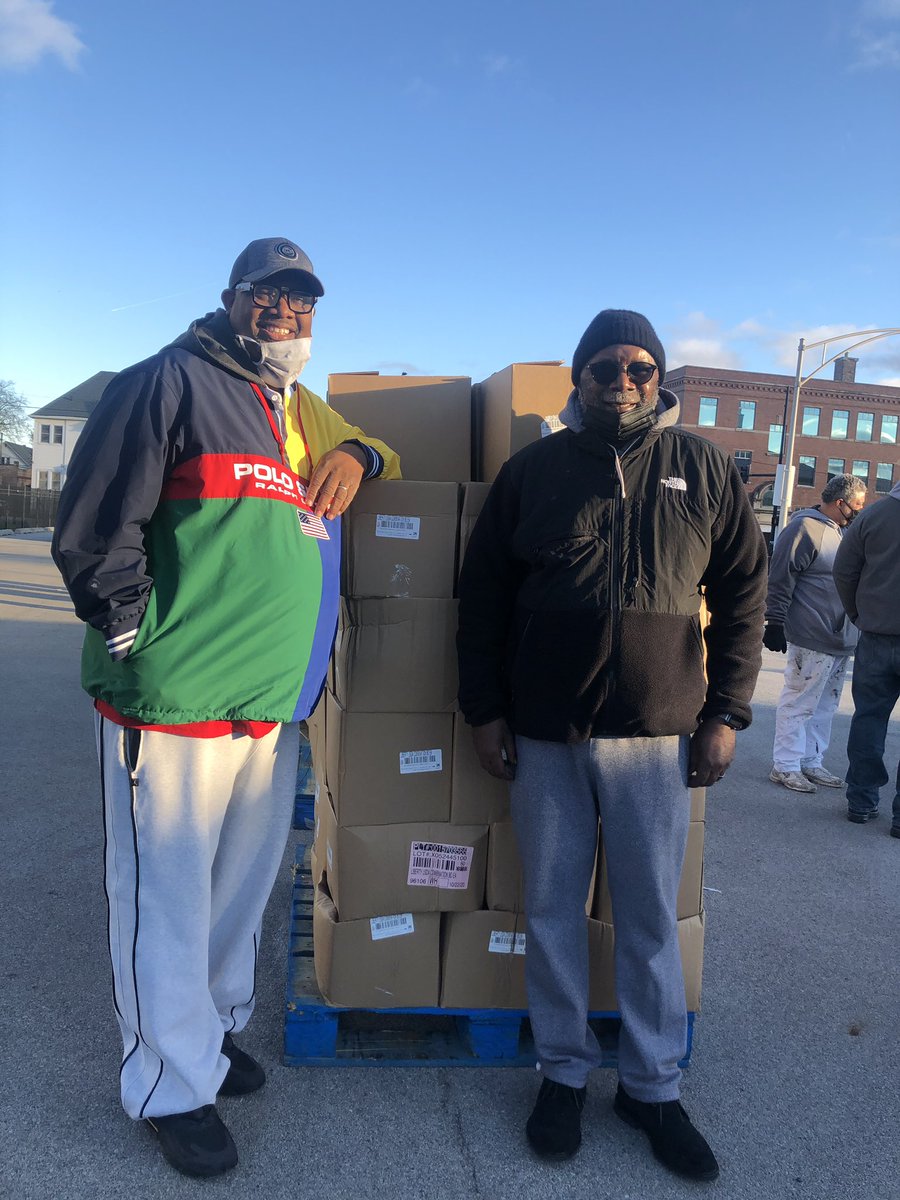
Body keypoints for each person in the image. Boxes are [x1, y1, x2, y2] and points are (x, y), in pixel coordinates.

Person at [52, 238, 400, 1178]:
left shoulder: (298, 407)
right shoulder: (166, 381)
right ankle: (167, 1083)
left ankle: (206, 1032)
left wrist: (359, 452)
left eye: (301, 303)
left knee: (237, 892)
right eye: (267, 297)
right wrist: (132, 627)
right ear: (230, 299)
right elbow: (96, 520)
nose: (284, 316)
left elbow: (388, 449)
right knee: (163, 900)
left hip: (267, 702)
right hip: (175, 700)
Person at [456, 310, 767, 1181]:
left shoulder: (704, 468)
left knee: (649, 917)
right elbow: (481, 599)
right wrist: (484, 711)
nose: (622, 382)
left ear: (659, 379)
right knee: (553, 910)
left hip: (657, 734)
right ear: (578, 380)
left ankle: (651, 1087)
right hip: (545, 730)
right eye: (604, 367)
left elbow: (745, 595)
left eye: (639, 368)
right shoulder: (533, 472)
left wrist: (727, 713)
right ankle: (562, 1072)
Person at [764, 474, 867, 793]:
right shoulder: (804, 528)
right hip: (812, 633)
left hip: (841, 636)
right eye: (858, 505)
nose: (860, 510)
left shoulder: (844, 532)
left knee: (825, 705)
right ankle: (786, 764)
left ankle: (810, 760)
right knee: (800, 701)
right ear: (841, 502)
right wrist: (774, 621)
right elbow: (781, 577)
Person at [832, 479, 900, 833]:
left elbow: (844, 570)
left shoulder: (873, 515)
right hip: (876, 631)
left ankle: (861, 800)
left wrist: (858, 613)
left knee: (869, 719)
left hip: (876, 636)